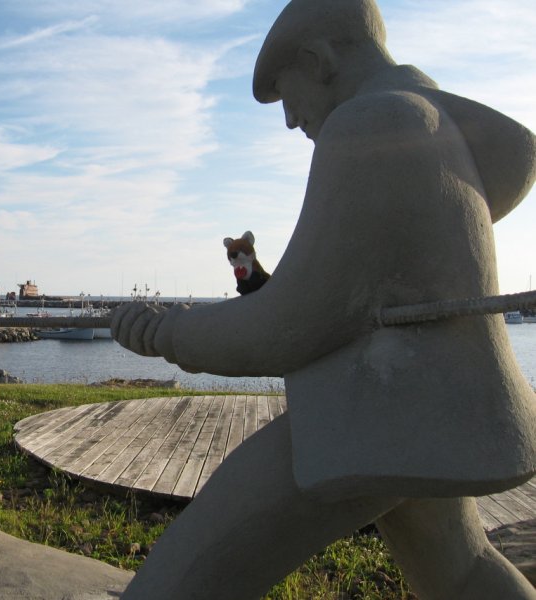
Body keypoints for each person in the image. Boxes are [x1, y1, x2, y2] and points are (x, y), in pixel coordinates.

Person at [111, 1, 536, 598]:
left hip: (374, 417)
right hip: (431, 410)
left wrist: (168, 335)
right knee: (461, 572)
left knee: (178, 579)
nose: (290, 120)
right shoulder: (434, 124)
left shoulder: (373, 124)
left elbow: (290, 324)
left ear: (319, 59)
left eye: (287, 95)